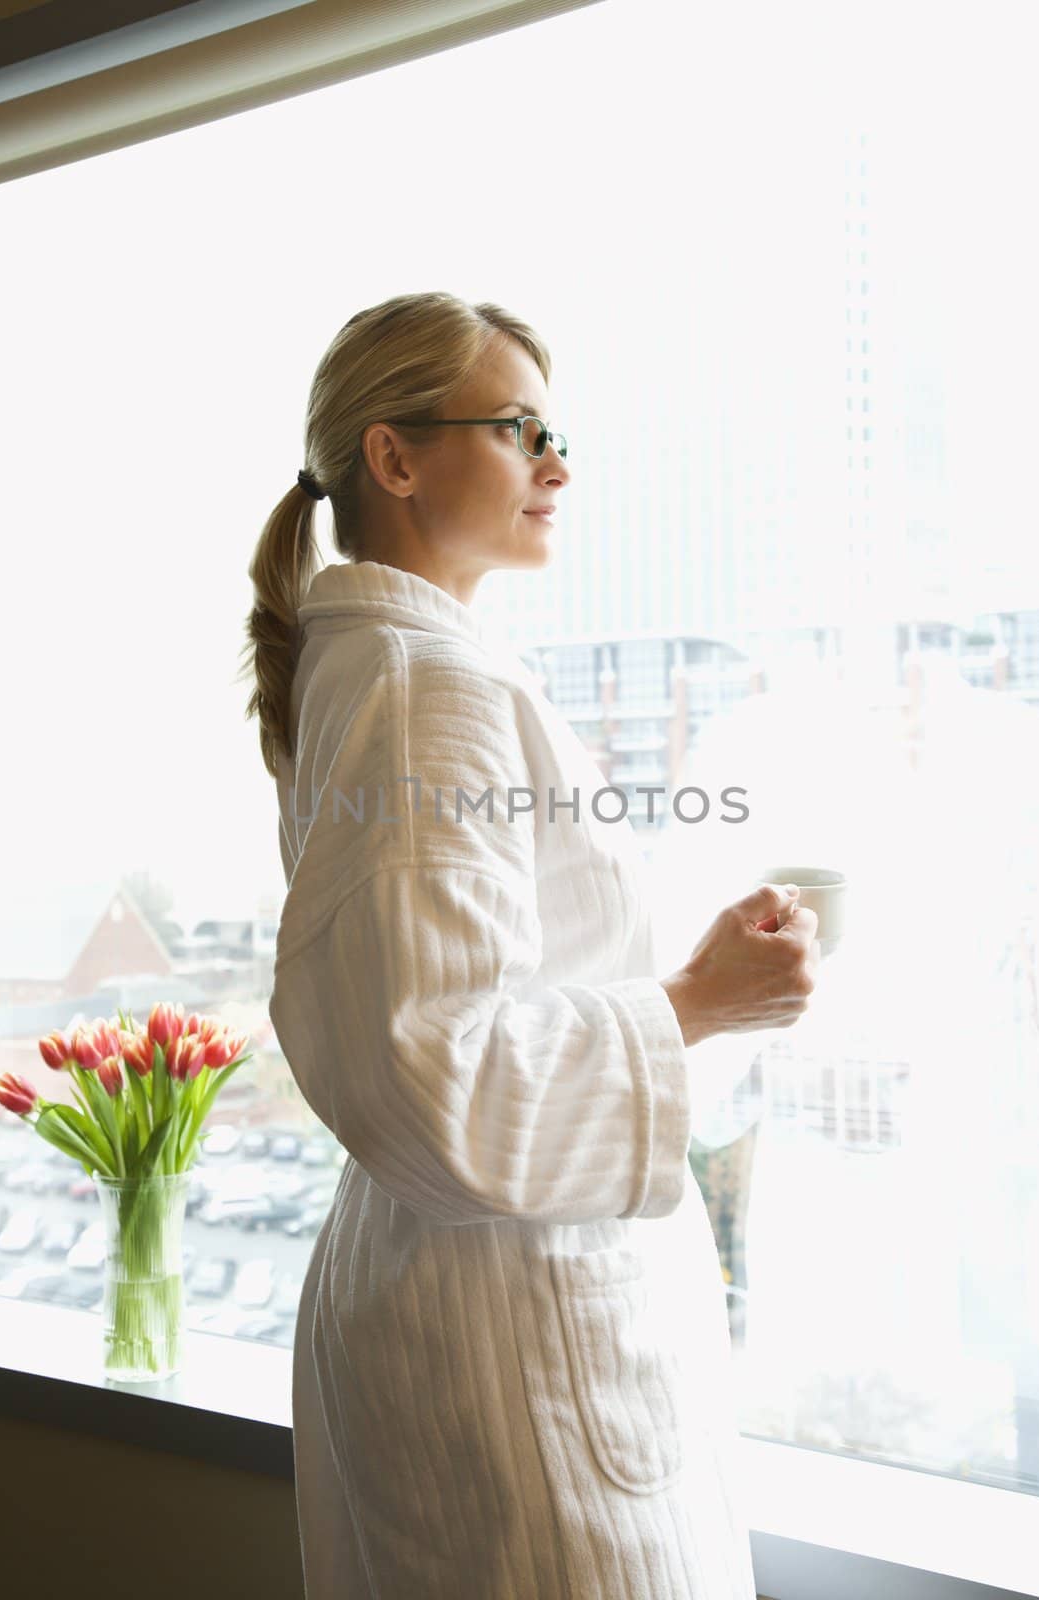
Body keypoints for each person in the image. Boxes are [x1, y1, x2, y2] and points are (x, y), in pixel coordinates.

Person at [238, 290, 820, 1599]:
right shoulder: (420, 689)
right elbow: (442, 1077)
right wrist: (696, 1002)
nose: (559, 467)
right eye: (520, 429)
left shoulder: (389, 671)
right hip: (521, 1351)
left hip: (481, 1316)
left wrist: (688, 987)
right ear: (394, 458)